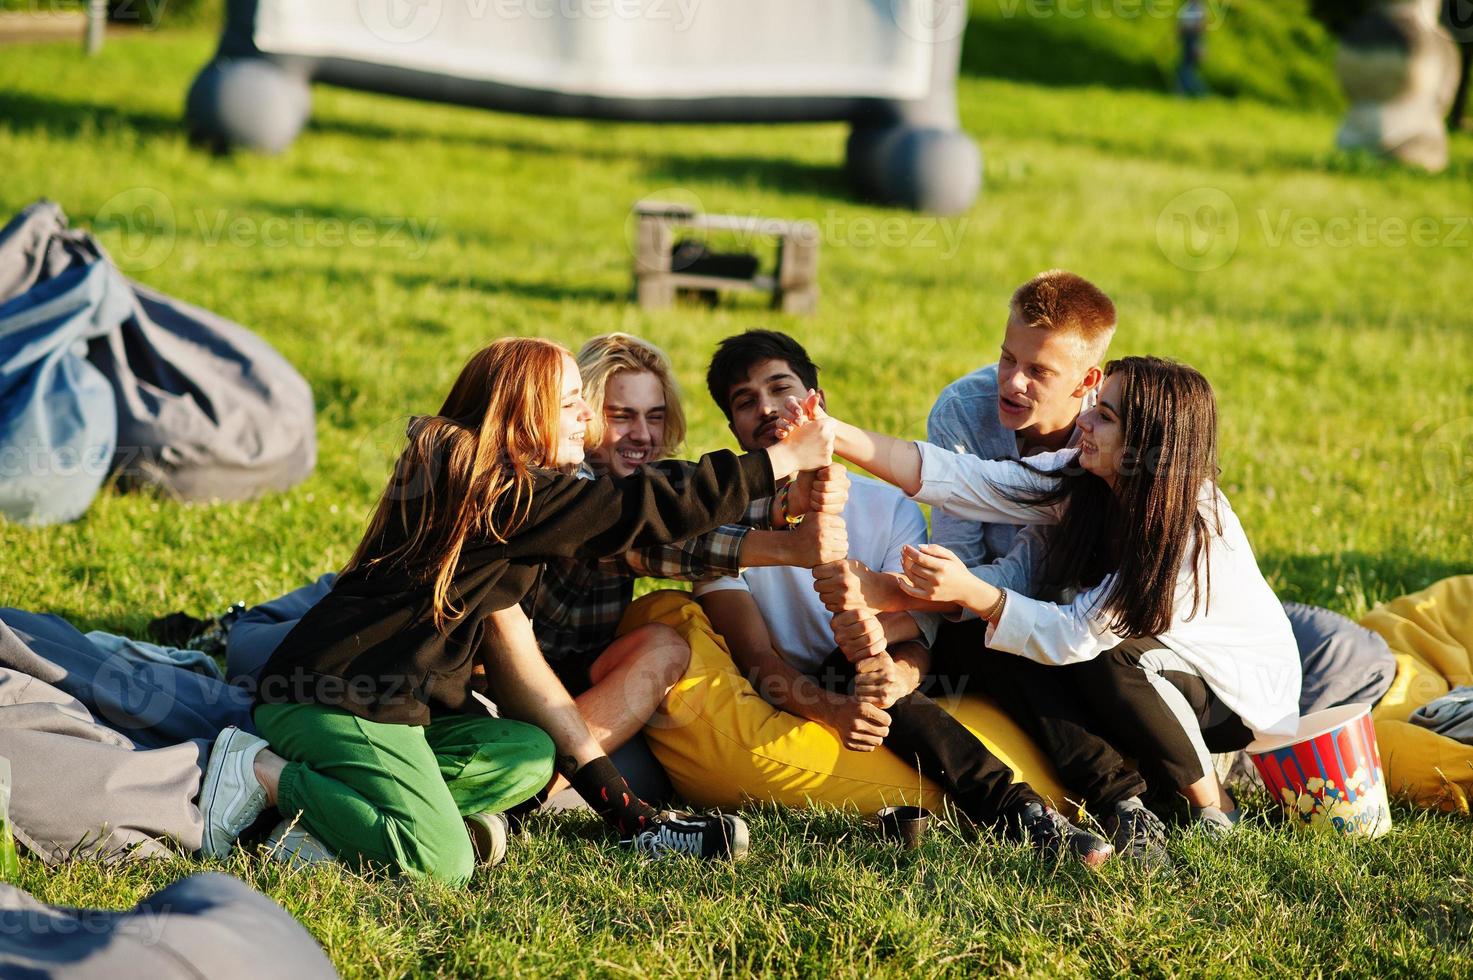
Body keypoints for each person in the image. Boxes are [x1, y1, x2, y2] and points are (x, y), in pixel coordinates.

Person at [196, 337, 835, 886]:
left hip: (400, 707)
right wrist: (777, 462)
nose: (585, 419)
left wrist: (623, 811)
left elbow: (536, 663)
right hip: (338, 698)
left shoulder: (516, 509)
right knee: (441, 865)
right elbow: (638, 509)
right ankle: (260, 774)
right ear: (519, 414)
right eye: (570, 404)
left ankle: (333, 825)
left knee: (527, 755)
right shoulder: (497, 490)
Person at [782, 355, 1302, 844]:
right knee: (982, 639)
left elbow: (1077, 634)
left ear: (1147, 443)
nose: (1084, 423)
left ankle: (1213, 807)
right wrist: (834, 433)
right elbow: (968, 480)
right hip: (1133, 672)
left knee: (1109, 655)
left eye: (1104, 416)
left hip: (1227, 702)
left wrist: (973, 592)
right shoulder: (1083, 474)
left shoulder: (1192, 529)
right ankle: (1057, 805)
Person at [696, 330, 1114, 866]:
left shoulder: (886, 505)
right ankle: (1022, 815)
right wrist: (833, 711)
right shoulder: (718, 529)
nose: (770, 409)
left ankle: (1115, 793)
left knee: (985, 628)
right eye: (746, 402)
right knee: (851, 667)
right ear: (734, 428)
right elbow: (756, 659)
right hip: (817, 683)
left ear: (817, 403)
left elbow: (917, 624)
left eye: (782, 389)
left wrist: (903, 674)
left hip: (894, 669)